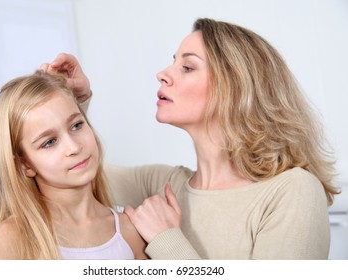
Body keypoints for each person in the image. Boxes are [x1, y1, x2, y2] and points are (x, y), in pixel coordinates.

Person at [41, 18, 339, 259]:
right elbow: (66, 168)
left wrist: (165, 240)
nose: (162, 74)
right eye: (173, 62)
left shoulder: (293, 190)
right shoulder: (163, 185)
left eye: (187, 67)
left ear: (234, 89)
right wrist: (75, 102)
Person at [0, 71, 146, 259]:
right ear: (24, 165)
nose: (74, 147)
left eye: (76, 125)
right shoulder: (11, 241)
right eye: (49, 142)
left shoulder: (130, 232)